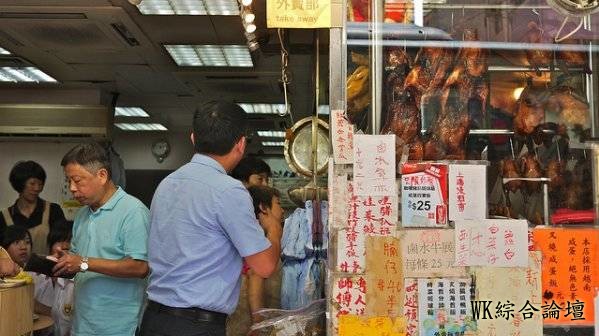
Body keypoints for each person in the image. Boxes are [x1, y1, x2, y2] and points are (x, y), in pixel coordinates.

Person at [139, 101, 282, 336]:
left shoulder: (167, 183)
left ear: (193, 138)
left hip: (153, 320)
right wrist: (274, 230)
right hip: (194, 326)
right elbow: (264, 266)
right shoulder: (229, 190)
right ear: (241, 144)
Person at [52, 142, 150, 336]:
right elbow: (79, 260)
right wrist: (65, 260)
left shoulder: (133, 211)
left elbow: (140, 267)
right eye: (68, 181)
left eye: (78, 181)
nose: (72, 188)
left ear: (102, 176)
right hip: (83, 323)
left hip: (119, 327)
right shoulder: (82, 214)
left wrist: (84, 263)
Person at [1, 161, 66, 255]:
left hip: (47, 268)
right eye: (32, 184)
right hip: (14, 269)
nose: (37, 188)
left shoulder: (53, 210)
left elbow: (63, 242)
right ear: (20, 184)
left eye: (40, 184)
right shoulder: (3, 217)